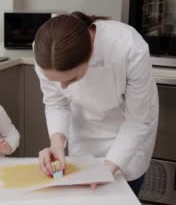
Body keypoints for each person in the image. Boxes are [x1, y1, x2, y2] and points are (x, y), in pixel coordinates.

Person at [34, 12, 159, 195]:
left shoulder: (129, 47)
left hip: (128, 135)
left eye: (71, 79)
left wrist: (107, 169)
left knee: (121, 202)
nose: (62, 87)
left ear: (90, 54)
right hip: (84, 131)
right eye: (57, 81)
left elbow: (137, 121)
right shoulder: (45, 51)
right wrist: (57, 143)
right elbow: (57, 103)